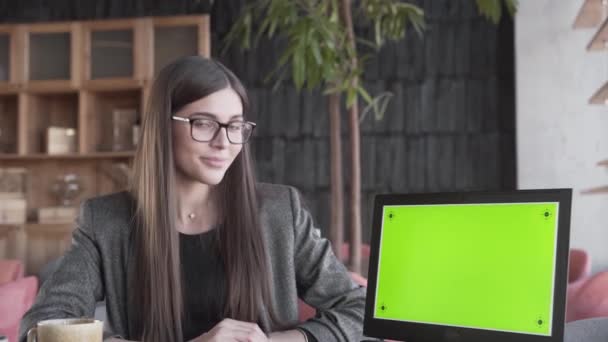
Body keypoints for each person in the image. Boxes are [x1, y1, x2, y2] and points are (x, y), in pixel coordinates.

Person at [19, 56, 365, 342]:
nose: (224, 142)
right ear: (162, 127)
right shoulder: (106, 221)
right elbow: (41, 327)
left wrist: (280, 341)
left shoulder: (280, 212)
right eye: (204, 123)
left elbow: (361, 310)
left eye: (235, 125)